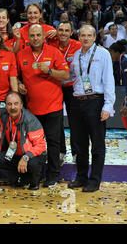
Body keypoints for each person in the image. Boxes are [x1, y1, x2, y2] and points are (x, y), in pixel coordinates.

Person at [17, 24, 70, 187]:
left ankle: (53, 175)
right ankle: (36, 174)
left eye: (38, 35)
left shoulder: (54, 52)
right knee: (33, 143)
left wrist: (49, 71)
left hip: (53, 106)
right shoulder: (21, 54)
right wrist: (19, 84)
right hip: (32, 108)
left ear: (43, 36)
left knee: (53, 142)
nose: (35, 38)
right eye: (32, 35)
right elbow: (16, 75)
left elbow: (66, 74)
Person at [67, 25, 116, 192]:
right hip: (77, 102)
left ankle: (94, 181)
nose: (86, 38)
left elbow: (109, 80)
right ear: (79, 37)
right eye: (83, 35)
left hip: (95, 102)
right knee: (79, 144)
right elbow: (73, 77)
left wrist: (108, 106)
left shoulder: (103, 54)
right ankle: (81, 177)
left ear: (95, 37)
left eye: (89, 35)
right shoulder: (76, 55)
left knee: (97, 144)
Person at [0, 91, 47, 190]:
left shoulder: (31, 120)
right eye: (9, 104)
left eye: (16, 104)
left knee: (33, 164)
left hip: (32, 155)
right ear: (6, 106)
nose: (13, 107)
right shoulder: (3, 113)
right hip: (14, 153)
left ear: (21, 105)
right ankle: (18, 178)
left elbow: (41, 146)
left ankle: (33, 181)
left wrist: (26, 157)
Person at [49, 21, 82, 165]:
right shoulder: (51, 44)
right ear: (56, 31)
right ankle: (61, 152)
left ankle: (76, 152)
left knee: (75, 121)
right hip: (55, 87)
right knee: (57, 121)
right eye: (60, 30)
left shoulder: (77, 46)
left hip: (72, 88)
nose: (63, 33)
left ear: (71, 32)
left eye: (66, 30)